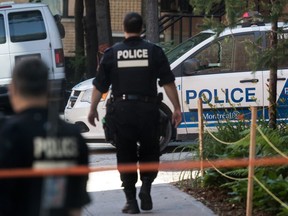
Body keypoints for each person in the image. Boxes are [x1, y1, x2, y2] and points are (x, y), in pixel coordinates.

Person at [88, 12, 182, 214]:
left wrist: (92, 108)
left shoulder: (112, 54)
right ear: (141, 29)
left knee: (125, 154)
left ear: (124, 28)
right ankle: (146, 187)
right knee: (150, 150)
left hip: (122, 112)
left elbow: (99, 86)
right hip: (148, 110)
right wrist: (176, 108)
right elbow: (168, 82)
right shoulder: (154, 51)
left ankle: (131, 201)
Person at [0, 59, 90, 216]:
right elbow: (76, 206)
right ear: (49, 89)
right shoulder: (74, 137)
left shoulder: (8, 135)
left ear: (12, 89)